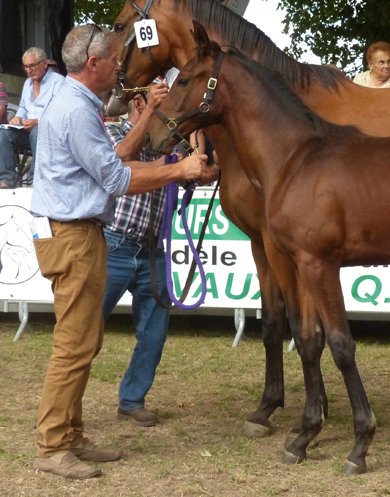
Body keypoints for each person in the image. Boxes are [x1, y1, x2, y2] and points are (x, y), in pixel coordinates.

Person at [30, 24, 216, 480]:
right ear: (93, 63)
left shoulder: (74, 103)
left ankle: (70, 436)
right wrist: (180, 170)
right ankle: (53, 446)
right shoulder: (76, 110)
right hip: (75, 235)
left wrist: (148, 111)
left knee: (83, 343)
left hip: (78, 233)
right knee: (74, 347)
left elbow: (112, 159)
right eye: (115, 60)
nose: (120, 68)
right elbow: (116, 179)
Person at [103, 84, 172, 429]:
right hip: (114, 243)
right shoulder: (113, 130)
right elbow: (121, 160)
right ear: (141, 102)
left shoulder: (166, 141)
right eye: (160, 101)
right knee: (84, 331)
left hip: (151, 248)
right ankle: (65, 404)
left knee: (154, 333)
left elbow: (196, 166)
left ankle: (132, 400)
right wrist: (171, 167)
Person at [0, 47, 64, 188]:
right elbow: (23, 108)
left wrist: (38, 122)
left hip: (50, 134)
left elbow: (61, 113)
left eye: (32, 65)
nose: (29, 70)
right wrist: (17, 118)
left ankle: (35, 180)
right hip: (26, 131)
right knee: (3, 132)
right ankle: (7, 179)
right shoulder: (28, 83)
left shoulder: (58, 82)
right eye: (26, 67)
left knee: (37, 130)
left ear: (44, 63)